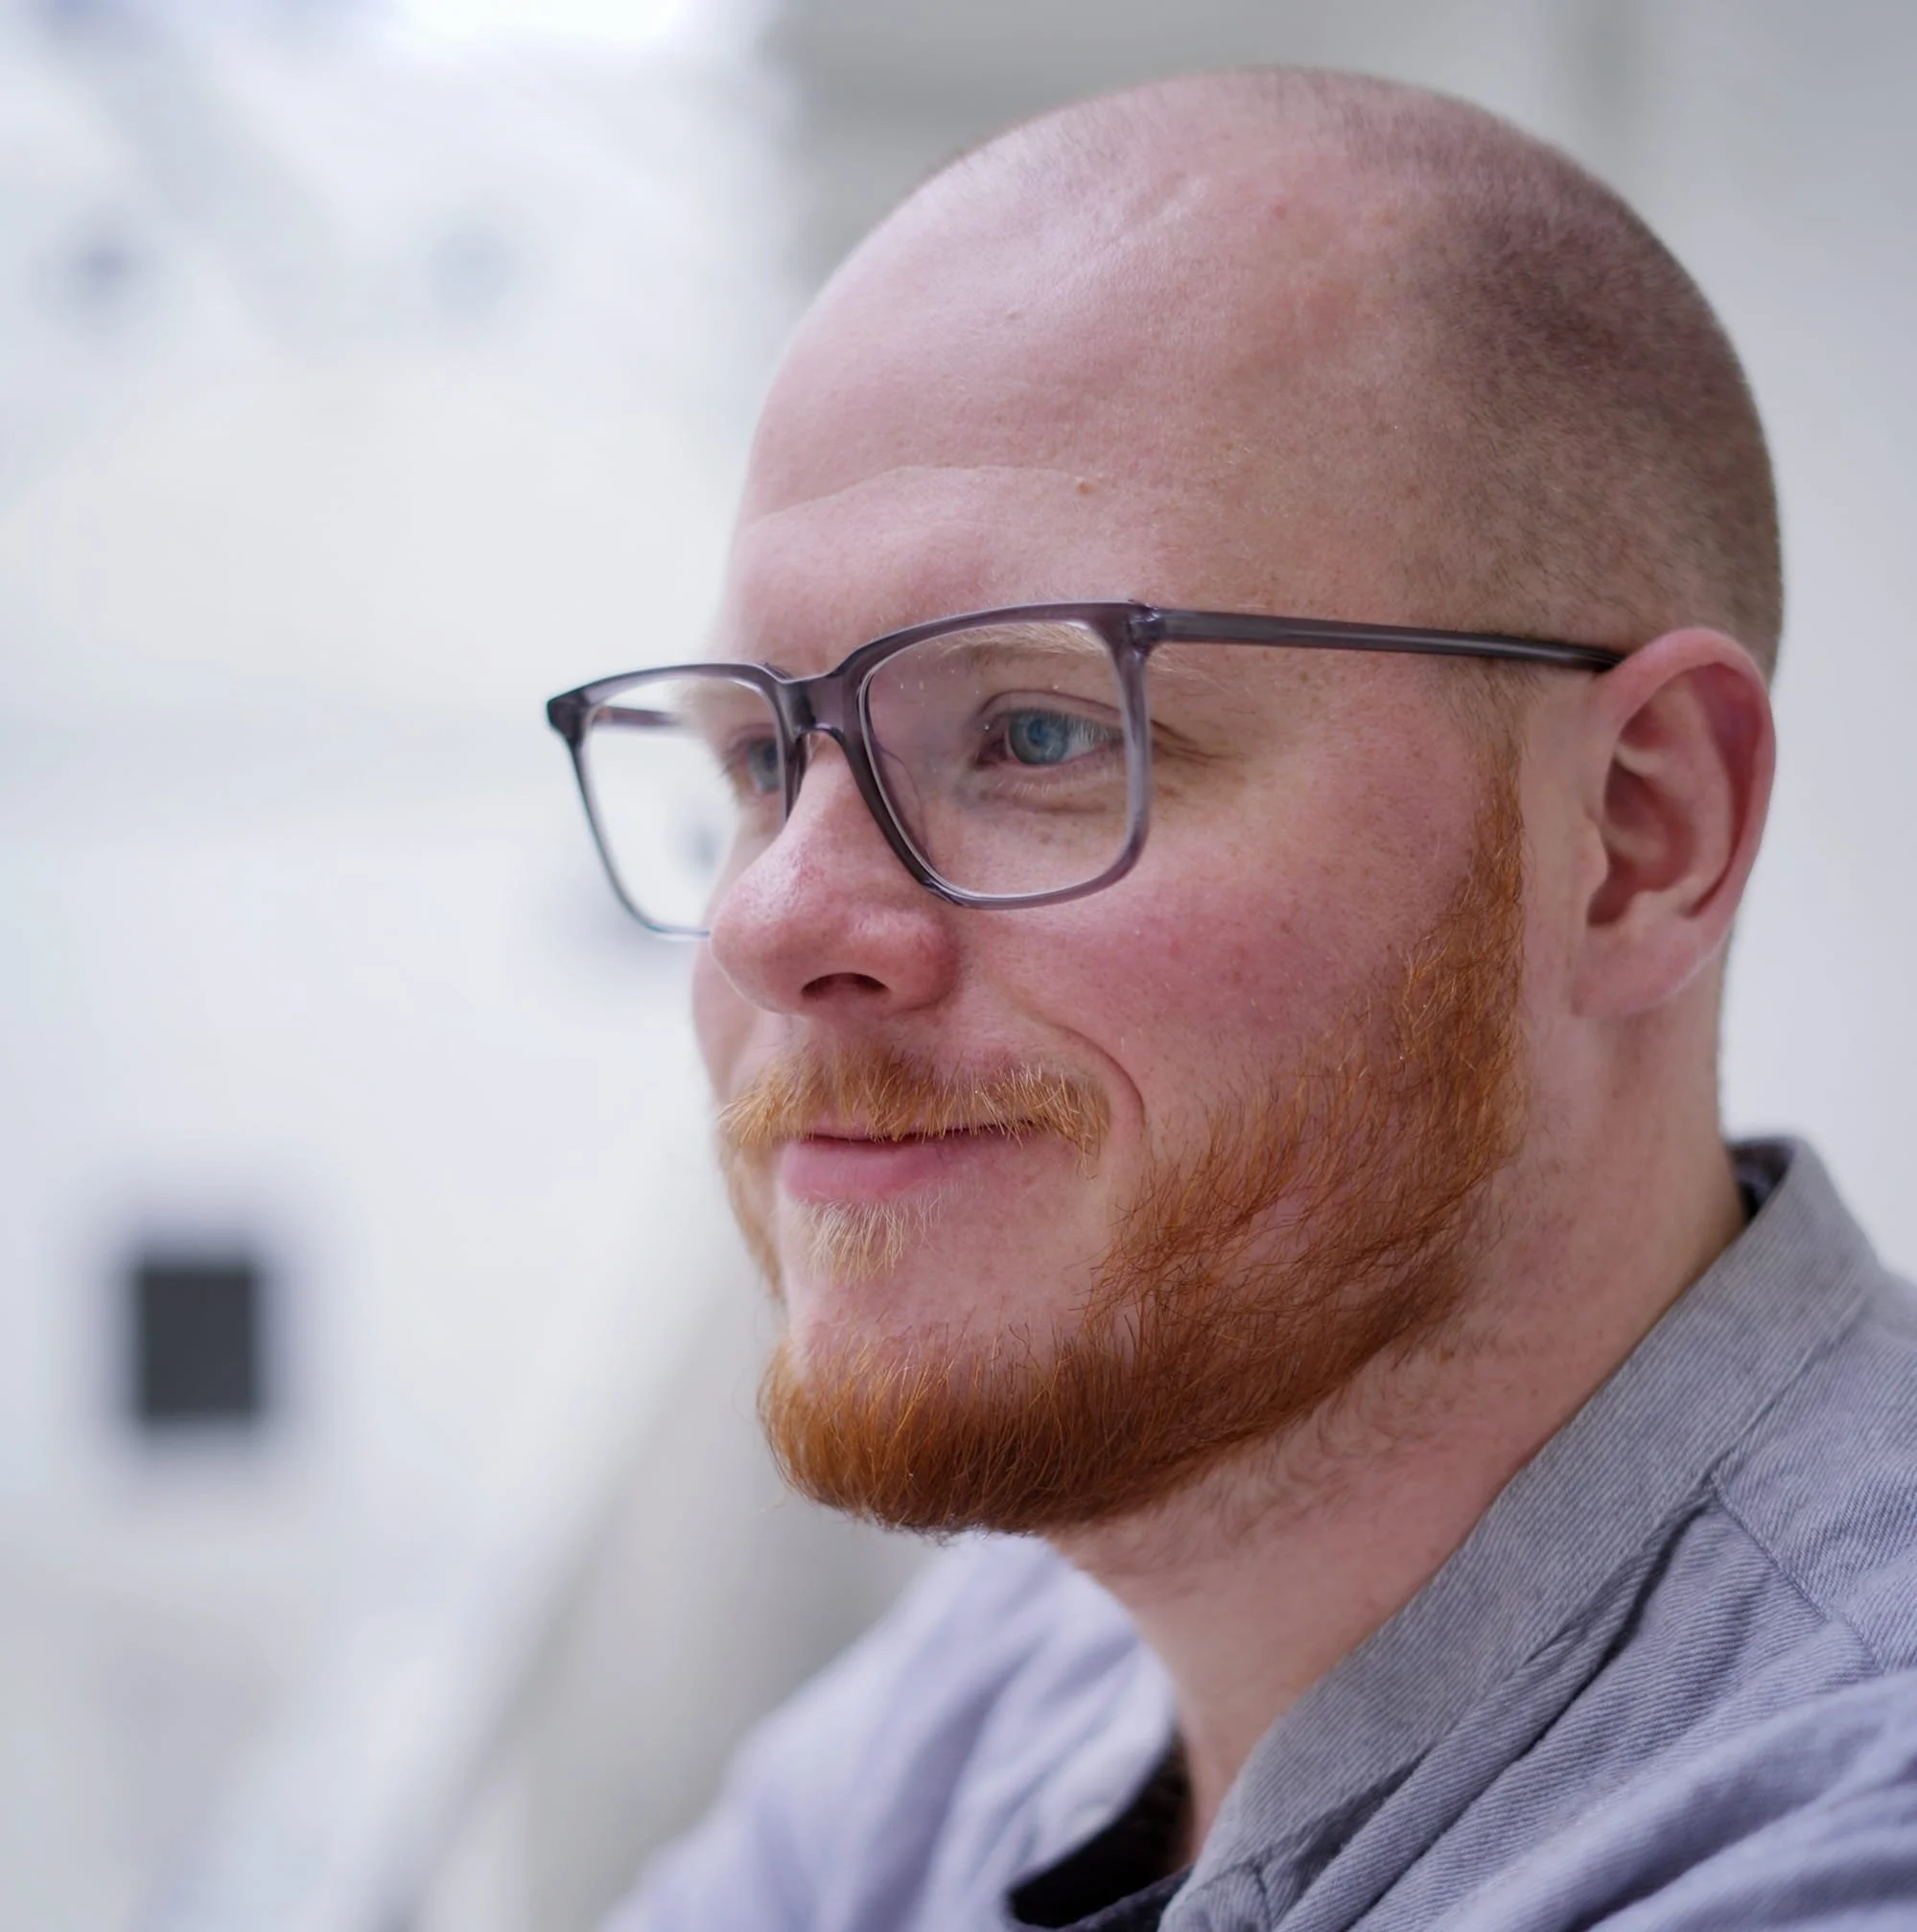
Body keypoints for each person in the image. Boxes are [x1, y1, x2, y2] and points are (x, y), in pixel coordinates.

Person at [555, 67, 1917, 1932]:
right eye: (755, 761)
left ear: (1635, 835)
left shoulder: (1839, 1816)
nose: (774, 915)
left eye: (1035, 732)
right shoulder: (1028, 1650)